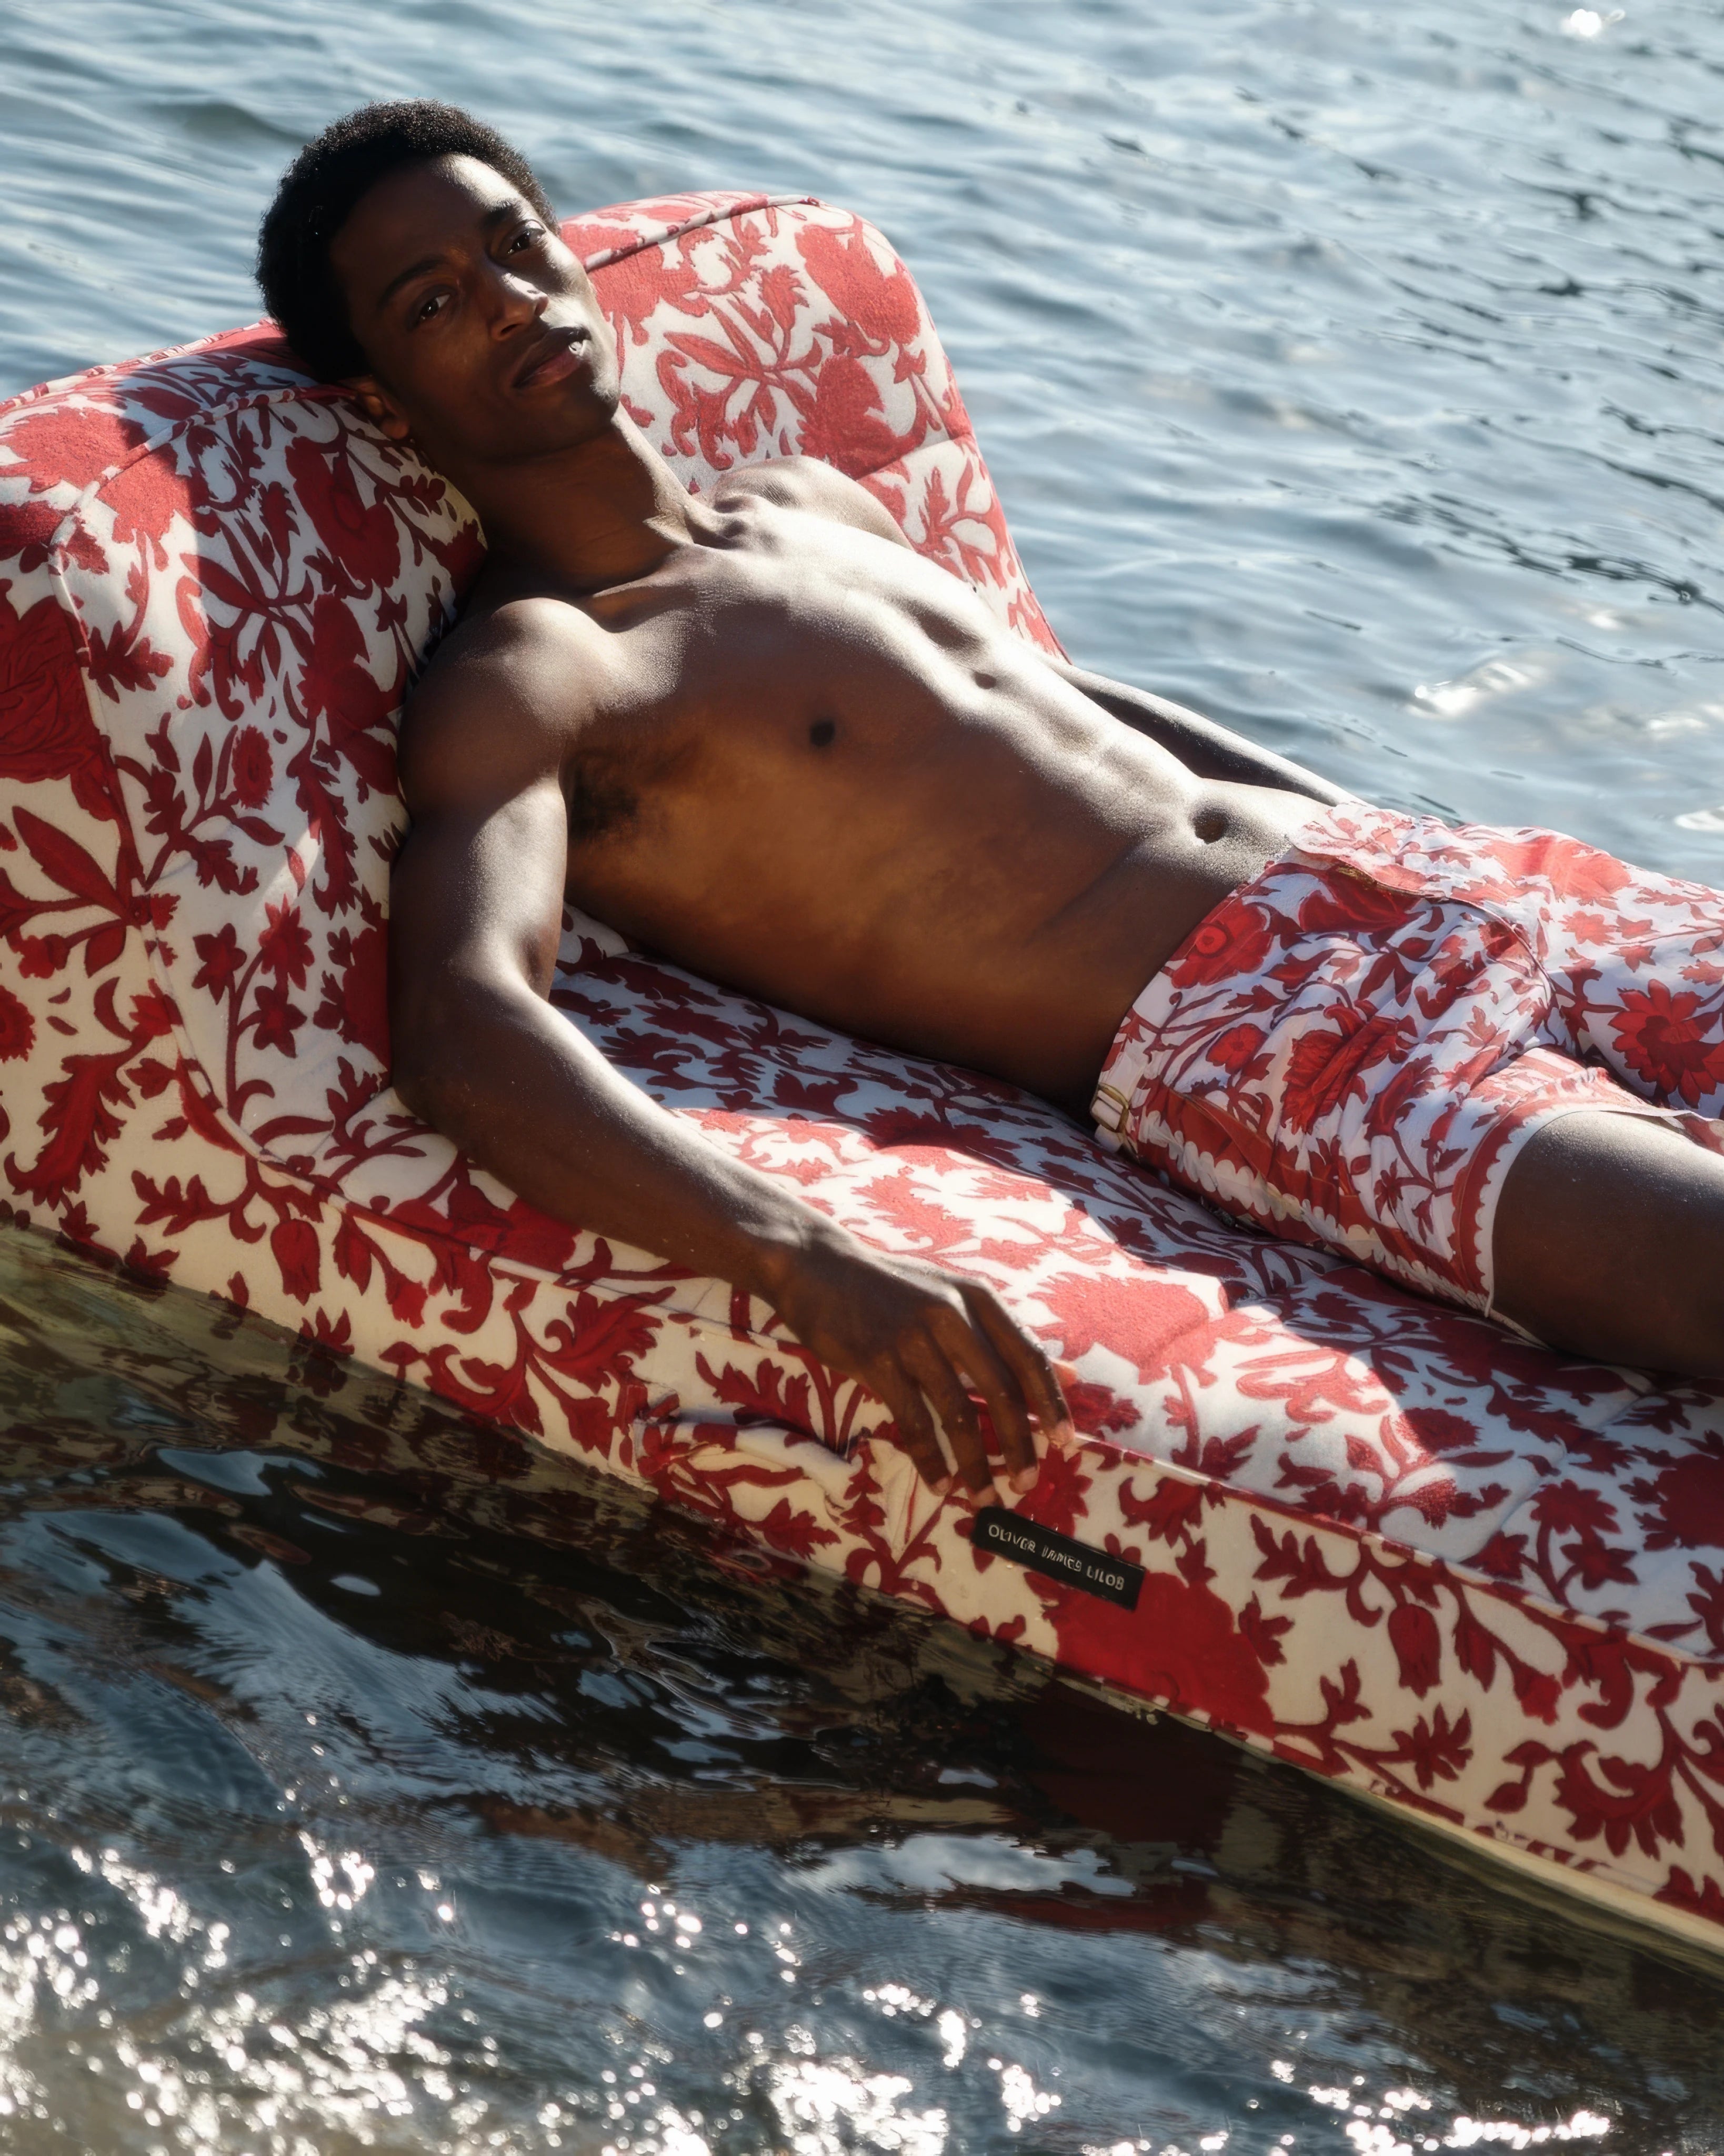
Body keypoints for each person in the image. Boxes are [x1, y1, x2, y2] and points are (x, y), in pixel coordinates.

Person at [257, 102, 1724, 1505]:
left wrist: (1381, 833)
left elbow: (1075, 707)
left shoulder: (807, 502)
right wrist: (802, 1260)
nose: (509, 300)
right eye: (434, 302)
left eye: (514, 243)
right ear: (382, 394)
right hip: (1278, 1045)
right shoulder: (552, 666)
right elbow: (466, 1027)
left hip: (1448, 877)